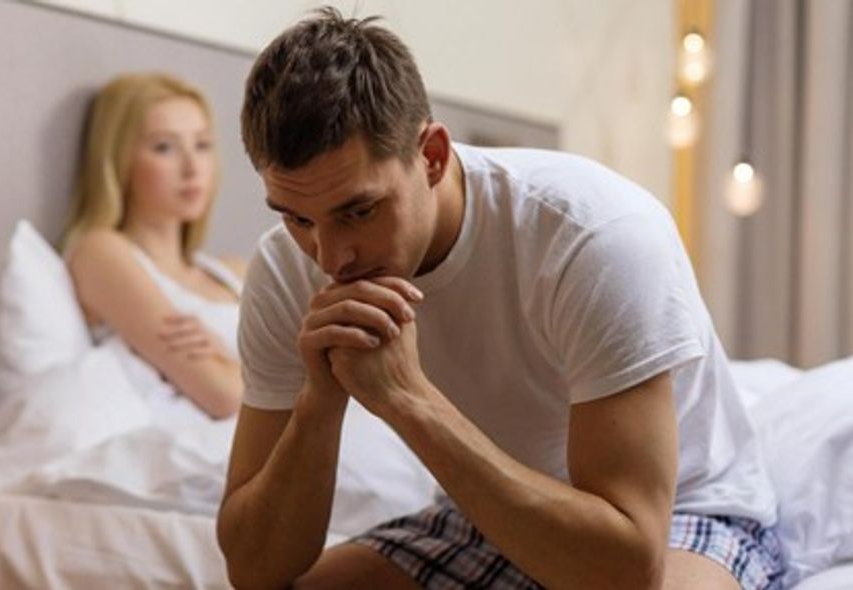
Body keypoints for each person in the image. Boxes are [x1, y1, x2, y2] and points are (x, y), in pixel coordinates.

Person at [216, 8, 786, 590]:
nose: (331, 257)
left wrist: (409, 400)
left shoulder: (593, 235)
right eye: (297, 219)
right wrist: (320, 402)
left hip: (677, 514)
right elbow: (256, 572)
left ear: (432, 156)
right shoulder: (285, 271)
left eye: (359, 211)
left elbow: (625, 570)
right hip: (481, 515)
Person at [60, 72, 244, 419]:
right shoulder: (102, 253)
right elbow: (225, 397)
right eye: (165, 147)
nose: (192, 168)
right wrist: (245, 370)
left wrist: (228, 362)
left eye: (202, 145)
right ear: (119, 160)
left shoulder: (235, 272)